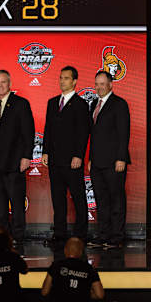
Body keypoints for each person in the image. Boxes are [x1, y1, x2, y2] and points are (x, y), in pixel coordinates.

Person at [0, 70, 35, 244]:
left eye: (3, 82)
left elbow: (28, 132)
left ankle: (18, 236)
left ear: (9, 83)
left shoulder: (20, 104)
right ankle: (1, 237)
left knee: (17, 202)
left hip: (14, 160)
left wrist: (27, 156)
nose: (0, 85)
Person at [42, 66, 90, 244]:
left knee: (78, 198)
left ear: (75, 81)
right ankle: (60, 233)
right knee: (58, 198)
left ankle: (80, 234)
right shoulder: (52, 102)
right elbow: (48, 129)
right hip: (54, 160)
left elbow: (83, 132)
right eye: (61, 78)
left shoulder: (81, 104)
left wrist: (78, 155)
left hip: (72, 161)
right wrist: (45, 151)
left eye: (67, 78)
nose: (62, 81)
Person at [87, 71, 130, 248]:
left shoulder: (119, 104)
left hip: (114, 162)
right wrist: (90, 159)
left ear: (111, 84)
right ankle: (103, 235)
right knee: (101, 200)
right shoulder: (93, 105)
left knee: (116, 200)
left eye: (102, 84)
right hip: (97, 163)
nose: (99, 87)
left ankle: (117, 237)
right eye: (96, 84)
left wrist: (121, 158)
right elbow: (94, 136)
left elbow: (123, 133)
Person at [41, 237, 104, 302]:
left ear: (65, 250)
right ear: (81, 252)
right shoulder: (90, 269)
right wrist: (85, 294)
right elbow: (99, 295)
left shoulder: (56, 266)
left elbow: (44, 292)